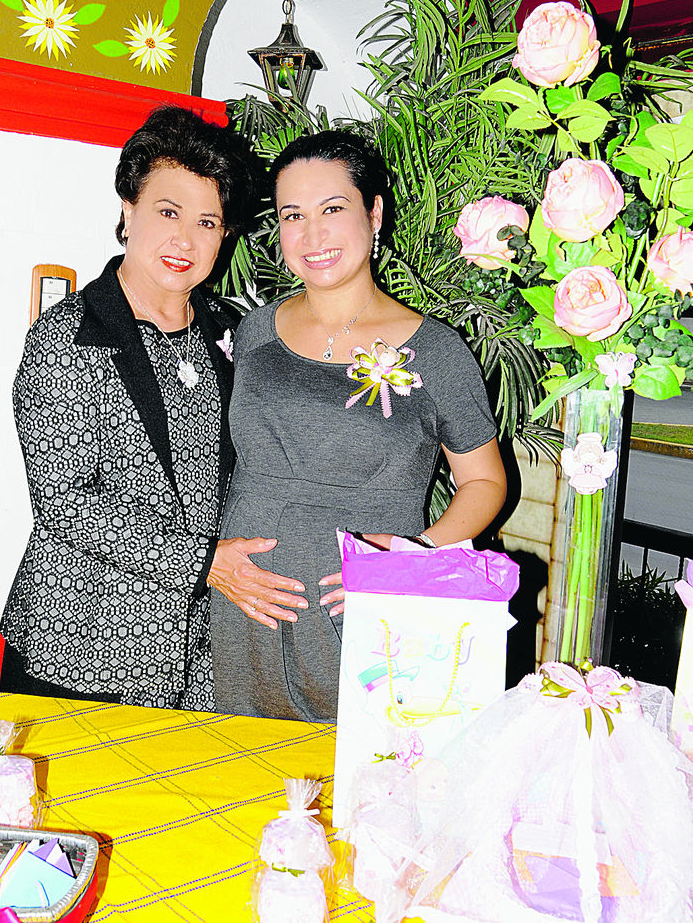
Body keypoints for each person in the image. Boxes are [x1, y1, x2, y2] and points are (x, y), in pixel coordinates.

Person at [0, 105, 306, 708]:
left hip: (200, 662)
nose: (185, 240)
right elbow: (68, 506)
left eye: (207, 222)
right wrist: (206, 561)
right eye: (168, 212)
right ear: (128, 210)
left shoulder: (233, 333)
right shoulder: (70, 336)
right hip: (82, 649)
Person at [209, 130, 507, 723]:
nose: (312, 235)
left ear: (374, 213)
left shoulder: (436, 351)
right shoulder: (252, 333)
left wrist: (410, 561)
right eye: (293, 215)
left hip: (371, 612)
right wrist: (207, 557)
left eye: (333, 209)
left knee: (371, 769)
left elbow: (485, 482)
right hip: (242, 610)